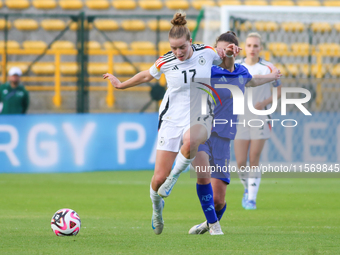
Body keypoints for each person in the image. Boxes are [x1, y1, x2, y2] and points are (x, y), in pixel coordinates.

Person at [103, 11, 230, 235]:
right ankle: (157, 209)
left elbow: (228, 65)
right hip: (172, 118)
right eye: (174, 48)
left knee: (198, 160)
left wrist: (230, 53)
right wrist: (121, 85)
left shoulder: (207, 52)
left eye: (182, 47)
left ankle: (210, 221)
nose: (178, 52)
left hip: (200, 114)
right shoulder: (166, 61)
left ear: (190, 42)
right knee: (157, 179)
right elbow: (145, 76)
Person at [162, 31, 281, 235]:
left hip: (223, 137)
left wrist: (273, 76)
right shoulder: (206, 69)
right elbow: (182, 66)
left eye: (226, 49)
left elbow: (253, 80)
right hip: (200, 131)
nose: (222, 53)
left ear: (234, 50)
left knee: (219, 201)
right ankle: (215, 228)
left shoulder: (241, 72)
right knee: (203, 176)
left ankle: (209, 222)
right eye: (219, 49)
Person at [235, 32, 282, 210]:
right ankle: (248, 189)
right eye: (249, 45)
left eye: (255, 46)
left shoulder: (269, 68)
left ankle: (252, 199)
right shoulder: (237, 66)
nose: (252, 49)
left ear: (260, 48)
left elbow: (279, 92)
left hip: (260, 117)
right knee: (240, 162)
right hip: (239, 117)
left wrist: (264, 103)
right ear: (244, 48)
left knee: (254, 158)